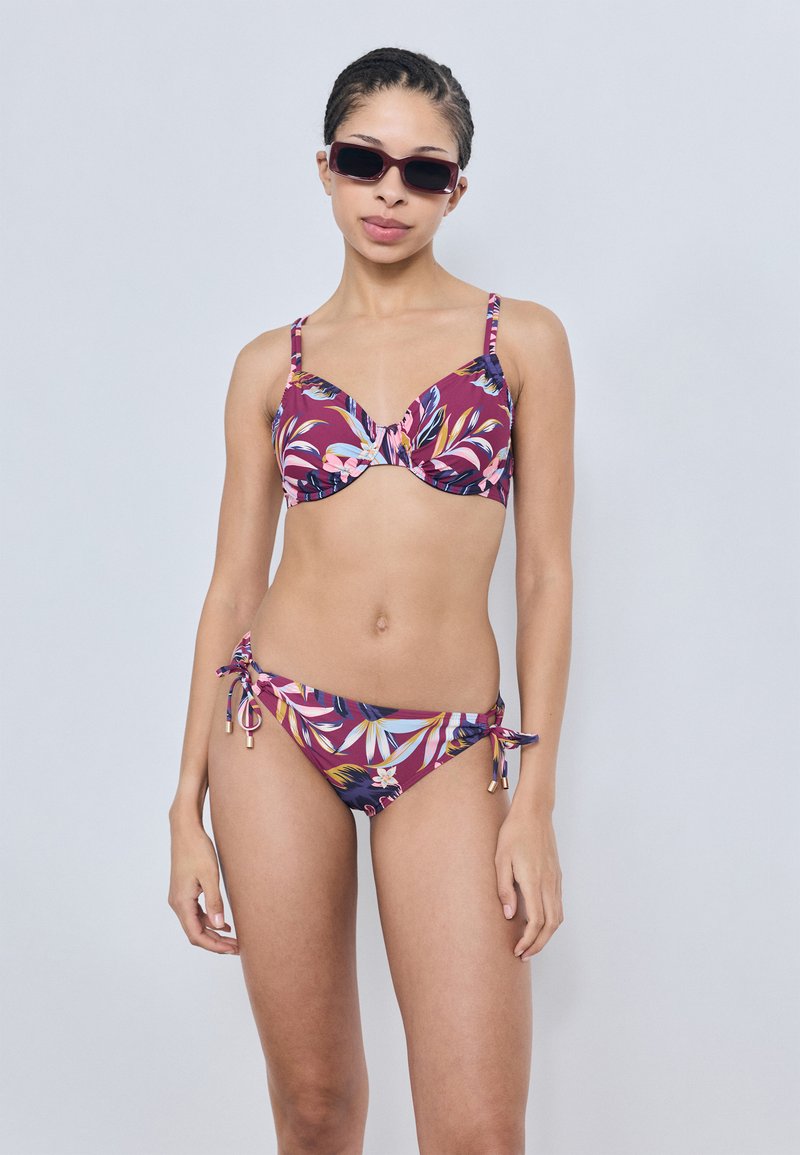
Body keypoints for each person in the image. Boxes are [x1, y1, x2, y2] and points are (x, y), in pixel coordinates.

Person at [168, 45, 574, 1155]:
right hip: (277, 727)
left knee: (477, 1132)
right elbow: (231, 585)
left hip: (449, 745)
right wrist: (183, 807)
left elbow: (544, 575)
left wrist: (533, 800)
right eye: (364, 161)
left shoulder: (520, 341)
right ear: (326, 168)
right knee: (314, 1111)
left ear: (456, 191)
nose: (390, 191)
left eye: (423, 171)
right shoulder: (272, 363)